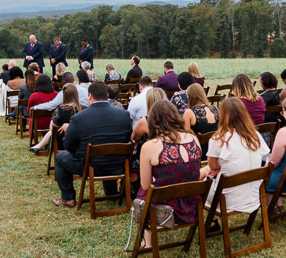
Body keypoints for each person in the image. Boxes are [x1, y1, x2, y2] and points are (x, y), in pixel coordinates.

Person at [51, 82, 132, 207]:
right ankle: (111, 194)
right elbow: (127, 139)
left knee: (60, 157)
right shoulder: (124, 115)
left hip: (89, 166)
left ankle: (67, 198)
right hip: (117, 164)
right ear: (107, 95)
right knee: (109, 150)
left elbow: (68, 146)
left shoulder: (79, 118)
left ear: (90, 96)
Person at [136, 100, 202, 247]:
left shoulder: (149, 146)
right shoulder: (193, 138)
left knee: (143, 191)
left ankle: (147, 242)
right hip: (191, 207)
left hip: (165, 211)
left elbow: (145, 185)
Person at [203, 98, 270, 214]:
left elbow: (212, 167)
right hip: (253, 195)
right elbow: (264, 156)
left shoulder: (218, 139)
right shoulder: (255, 135)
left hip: (227, 199)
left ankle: (211, 222)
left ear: (222, 115)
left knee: (204, 175)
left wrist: (216, 168)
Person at [30, 83, 83, 153]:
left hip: (60, 144)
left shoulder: (59, 110)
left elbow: (51, 129)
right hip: (79, 143)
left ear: (64, 95)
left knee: (52, 131)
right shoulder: (83, 109)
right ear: (76, 94)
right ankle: (38, 146)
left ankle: (38, 146)